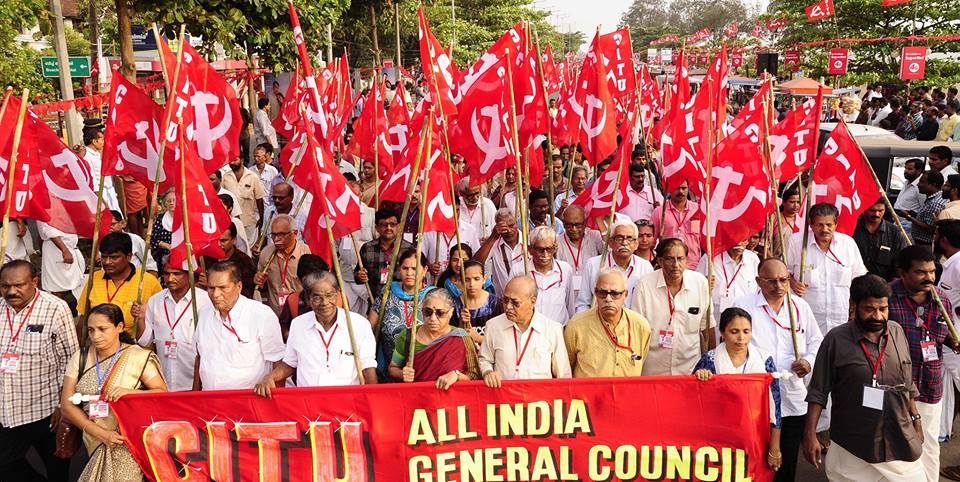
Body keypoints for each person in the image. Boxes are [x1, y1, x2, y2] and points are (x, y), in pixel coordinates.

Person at [803, 274, 925, 481]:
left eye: (883, 309)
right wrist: (810, 434)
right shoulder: (835, 340)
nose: (877, 316)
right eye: (869, 309)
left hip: (900, 438)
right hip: (853, 445)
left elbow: (908, 383)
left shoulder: (896, 332)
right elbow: (818, 391)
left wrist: (916, 420)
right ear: (853, 305)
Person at [733, 258, 823, 482]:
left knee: (786, 461)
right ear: (758, 281)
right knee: (753, 460)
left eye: (783, 280)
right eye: (771, 281)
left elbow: (816, 341)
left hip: (791, 397)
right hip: (756, 398)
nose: (779, 286)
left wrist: (808, 362)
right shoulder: (742, 306)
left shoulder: (799, 307)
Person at [60, 303, 167, 481]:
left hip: (126, 441)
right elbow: (67, 404)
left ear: (119, 327)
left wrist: (129, 393)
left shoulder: (137, 356)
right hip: (92, 438)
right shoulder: (81, 357)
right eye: (92, 330)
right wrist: (99, 433)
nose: (96, 336)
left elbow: (162, 394)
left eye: (103, 329)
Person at [0, 260, 78, 481]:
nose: (11, 291)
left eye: (18, 285)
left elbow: (71, 360)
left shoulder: (56, 308)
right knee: (5, 467)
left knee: (57, 471)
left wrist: (64, 405)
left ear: (34, 281)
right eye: (5, 286)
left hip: (45, 411)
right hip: (7, 411)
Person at [888, 246, 956, 481]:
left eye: (931, 272)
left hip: (929, 385)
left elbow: (944, 334)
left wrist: (952, 341)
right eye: (920, 272)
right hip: (895, 387)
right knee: (893, 443)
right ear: (903, 273)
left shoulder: (941, 298)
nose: (929, 278)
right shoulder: (886, 297)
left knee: (928, 442)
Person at [255, 272, 377, 396]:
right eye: (317, 297)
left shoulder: (358, 324)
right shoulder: (298, 325)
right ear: (308, 299)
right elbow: (289, 364)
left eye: (329, 295)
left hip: (347, 403)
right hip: (309, 404)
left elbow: (368, 369)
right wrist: (270, 377)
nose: (324, 302)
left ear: (337, 295)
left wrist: (373, 402)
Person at [693, 307, 783, 472]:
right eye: (734, 331)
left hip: (755, 434)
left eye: (746, 331)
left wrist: (775, 446)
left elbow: (775, 406)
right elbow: (693, 402)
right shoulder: (709, 360)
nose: (741, 338)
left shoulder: (764, 361)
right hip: (717, 438)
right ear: (722, 332)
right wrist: (700, 378)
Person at [193, 262, 285, 390]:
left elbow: (278, 362)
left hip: (249, 401)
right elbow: (201, 358)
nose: (215, 294)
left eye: (223, 288)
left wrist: (276, 403)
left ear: (239, 286)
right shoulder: (204, 313)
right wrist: (195, 397)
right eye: (211, 288)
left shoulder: (261, 314)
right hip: (210, 401)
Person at [633, 238, 715, 376]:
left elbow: (707, 327)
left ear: (686, 260)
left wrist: (711, 362)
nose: (676, 265)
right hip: (653, 369)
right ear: (659, 261)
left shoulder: (700, 283)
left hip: (690, 369)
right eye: (670, 259)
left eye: (680, 259)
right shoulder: (644, 285)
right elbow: (636, 329)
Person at [788, 203, 868, 337]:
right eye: (819, 225)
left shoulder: (847, 244)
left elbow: (859, 279)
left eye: (829, 225)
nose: (824, 229)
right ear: (811, 224)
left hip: (840, 318)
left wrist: (855, 309)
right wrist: (793, 283)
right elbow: (783, 272)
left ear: (836, 224)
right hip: (806, 319)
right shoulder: (797, 242)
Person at [134, 258, 212, 392]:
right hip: (164, 381)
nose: (170, 279)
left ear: (189, 274)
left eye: (176, 274)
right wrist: (140, 318)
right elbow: (145, 342)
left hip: (195, 382)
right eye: (166, 274)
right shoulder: (155, 300)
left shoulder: (205, 300)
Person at [480, 276, 571, 385]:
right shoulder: (493, 326)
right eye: (505, 300)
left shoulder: (552, 329)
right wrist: (488, 372)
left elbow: (563, 375)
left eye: (515, 302)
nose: (508, 306)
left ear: (532, 301)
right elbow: (484, 359)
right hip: (504, 398)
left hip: (540, 399)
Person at [565, 269, 652, 377]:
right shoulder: (576, 326)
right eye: (602, 293)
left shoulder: (640, 326)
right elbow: (567, 368)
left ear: (625, 294)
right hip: (589, 393)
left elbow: (642, 360)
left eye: (615, 294)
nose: (608, 299)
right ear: (595, 293)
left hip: (626, 392)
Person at [388, 288, 481, 388]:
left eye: (440, 313)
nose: (433, 318)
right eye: (428, 312)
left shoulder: (462, 337)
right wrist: (402, 374)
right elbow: (393, 368)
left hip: (452, 400)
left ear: (451, 313)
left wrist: (457, 375)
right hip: (416, 398)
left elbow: (475, 375)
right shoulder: (408, 336)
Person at [79, 232, 163, 338]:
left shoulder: (148, 282)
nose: (107, 262)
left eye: (114, 257)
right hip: (99, 348)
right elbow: (83, 319)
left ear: (129, 257)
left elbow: (161, 324)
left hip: (134, 350)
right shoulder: (94, 278)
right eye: (104, 257)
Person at [372, 248, 430, 380]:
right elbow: (371, 326)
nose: (409, 273)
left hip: (424, 372)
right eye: (405, 268)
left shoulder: (432, 296)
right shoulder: (387, 293)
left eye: (415, 269)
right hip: (388, 369)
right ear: (399, 269)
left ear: (425, 270)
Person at [575, 219, 653, 312]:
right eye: (619, 238)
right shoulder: (593, 265)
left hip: (632, 324)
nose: (624, 243)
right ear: (610, 242)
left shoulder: (645, 267)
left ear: (636, 244)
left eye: (629, 238)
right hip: (599, 323)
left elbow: (648, 305)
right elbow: (583, 304)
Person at [934, 220, 960, 480]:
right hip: (949, 337)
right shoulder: (951, 262)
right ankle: (940, 433)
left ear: (942, 239)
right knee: (944, 381)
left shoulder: (959, 263)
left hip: (957, 338)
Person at [511, 226, 573, 325]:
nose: (545, 254)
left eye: (549, 249)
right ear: (530, 249)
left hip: (559, 330)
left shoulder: (565, 269)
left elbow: (570, 304)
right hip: (530, 330)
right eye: (540, 250)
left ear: (555, 248)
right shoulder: (519, 270)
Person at [256, 215, 312, 315]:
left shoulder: (307, 253)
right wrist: (258, 280)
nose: (276, 239)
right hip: (276, 313)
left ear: (295, 234)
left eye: (281, 235)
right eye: (273, 235)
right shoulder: (266, 254)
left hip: (302, 313)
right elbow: (261, 287)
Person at [356, 208, 413, 302]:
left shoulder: (409, 249)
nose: (388, 228)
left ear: (398, 226)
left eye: (393, 224)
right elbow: (357, 274)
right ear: (376, 228)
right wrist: (360, 276)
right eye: (383, 225)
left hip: (402, 303)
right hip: (375, 302)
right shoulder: (367, 248)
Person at [696, 239, 759, 317]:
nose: (739, 244)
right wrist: (704, 284)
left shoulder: (753, 259)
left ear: (747, 242)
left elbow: (758, 289)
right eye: (736, 240)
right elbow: (696, 286)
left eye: (743, 240)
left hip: (746, 315)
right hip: (717, 317)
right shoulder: (710, 257)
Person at [557, 205, 603, 307]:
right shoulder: (557, 242)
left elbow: (609, 253)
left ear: (585, 223)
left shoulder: (595, 236)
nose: (574, 229)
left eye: (578, 225)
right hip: (568, 297)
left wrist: (601, 224)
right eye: (569, 225)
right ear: (563, 224)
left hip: (593, 296)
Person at [651, 180, 702, 269]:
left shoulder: (698, 210)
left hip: (694, 266)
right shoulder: (659, 212)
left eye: (684, 188)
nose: (681, 191)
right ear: (670, 189)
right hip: (669, 266)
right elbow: (651, 242)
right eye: (677, 188)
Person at [853, 201, 908, 281]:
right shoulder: (852, 228)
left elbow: (900, 261)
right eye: (872, 210)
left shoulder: (894, 233)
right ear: (864, 209)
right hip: (855, 283)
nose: (876, 214)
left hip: (884, 285)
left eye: (880, 211)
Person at [276, 254, 329, 337]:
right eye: (309, 281)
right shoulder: (293, 301)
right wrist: (291, 337)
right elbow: (283, 326)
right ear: (298, 280)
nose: (314, 285)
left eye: (318, 279)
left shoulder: (339, 298)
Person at [36, 220, 85, 307]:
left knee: (72, 287)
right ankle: (55, 312)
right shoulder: (48, 207)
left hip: (69, 248)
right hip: (57, 248)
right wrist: (64, 250)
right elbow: (49, 230)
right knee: (57, 288)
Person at [475, 208, 524, 295]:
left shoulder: (528, 241)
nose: (509, 231)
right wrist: (492, 237)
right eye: (504, 228)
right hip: (502, 300)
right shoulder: (494, 242)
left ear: (517, 223)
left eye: (511, 225)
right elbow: (476, 264)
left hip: (525, 297)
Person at [204, 223, 257, 298]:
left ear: (234, 240)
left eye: (223, 241)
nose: (219, 244)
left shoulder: (244, 262)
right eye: (216, 240)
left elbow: (247, 293)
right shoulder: (205, 258)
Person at [222, 155, 267, 243]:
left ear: (242, 160)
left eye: (235, 160)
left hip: (249, 222)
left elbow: (259, 199)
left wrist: (262, 218)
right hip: (231, 222)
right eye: (230, 160)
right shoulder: (225, 177)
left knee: (248, 249)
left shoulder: (252, 176)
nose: (232, 163)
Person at [454, 259, 501, 338]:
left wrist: (478, 338)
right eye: (467, 280)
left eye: (476, 279)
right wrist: (461, 326)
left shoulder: (494, 303)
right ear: (461, 281)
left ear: (484, 279)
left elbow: (500, 338)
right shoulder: (455, 306)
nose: (472, 284)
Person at [904, 170, 946, 247]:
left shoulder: (935, 203)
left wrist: (909, 217)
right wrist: (914, 214)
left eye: (922, 182)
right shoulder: (933, 198)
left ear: (933, 184)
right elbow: (927, 218)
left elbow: (931, 229)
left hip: (925, 244)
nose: (918, 185)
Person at [109, 210, 158, 275]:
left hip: (136, 281)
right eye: (105, 224)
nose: (109, 227)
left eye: (112, 224)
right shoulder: (100, 241)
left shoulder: (135, 239)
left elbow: (150, 265)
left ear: (122, 223)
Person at [260, 182, 308, 247]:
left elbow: (308, 241)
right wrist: (259, 246)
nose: (277, 201)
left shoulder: (302, 215)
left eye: (281, 198)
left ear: (291, 197)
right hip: (271, 255)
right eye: (274, 197)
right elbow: (264, 235)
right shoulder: (269, 211)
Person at [893, 159, 926, 232]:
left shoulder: (920, 187)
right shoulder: (906, 182)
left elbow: (923, 210)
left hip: (909, 227)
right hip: (897, 224)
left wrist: (909, 216)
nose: (906, 171)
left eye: (910, 169)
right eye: (905, 168)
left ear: (919, 171)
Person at [149, 189, 176, 269]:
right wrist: (165, 245)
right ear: (165, 204)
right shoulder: (160, 218)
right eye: (169, 201)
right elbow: (152, 239)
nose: (171, 203)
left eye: (174, 200)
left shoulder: (186, 219)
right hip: (164, 256)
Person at [252, 143, 280, 208]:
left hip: (269, 206)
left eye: (258, 156)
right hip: (255, 207)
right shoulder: (250, 171)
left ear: (265, 157)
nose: (256, 158)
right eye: (254, 156)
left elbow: (276, 188)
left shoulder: (273, 170)